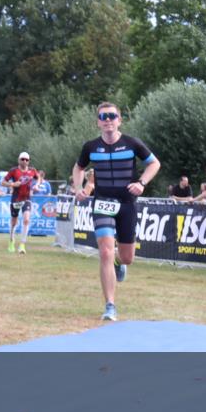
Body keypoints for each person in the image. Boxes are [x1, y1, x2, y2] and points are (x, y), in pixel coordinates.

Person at [72, 102, 160, 322]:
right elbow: (79, 167)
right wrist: (78, 187)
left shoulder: (132, 143)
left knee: (127, 257)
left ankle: (119, 263)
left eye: (112, 116)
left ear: (119, 120)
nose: (108, 120)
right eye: (103, 117)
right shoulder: (91, 147)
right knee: (105, 252)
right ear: (98, 122)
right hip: (102, 203)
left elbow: (154, 164)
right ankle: (110, 305)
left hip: (126, 204)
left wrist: (142, 183)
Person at [2, 152, 43, 255]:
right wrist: (12, 184)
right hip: (16, 199)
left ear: (29, 161)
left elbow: (38, 178)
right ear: (19, 160)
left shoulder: (32, 170)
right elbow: (3, 182)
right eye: (22, 159)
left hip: (27, 198)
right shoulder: (14, 170)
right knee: (14, 222)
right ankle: (11, 241)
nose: (24, 161)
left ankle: (22, 245)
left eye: (26, 160)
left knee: (26, 220)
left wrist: (36, 185)